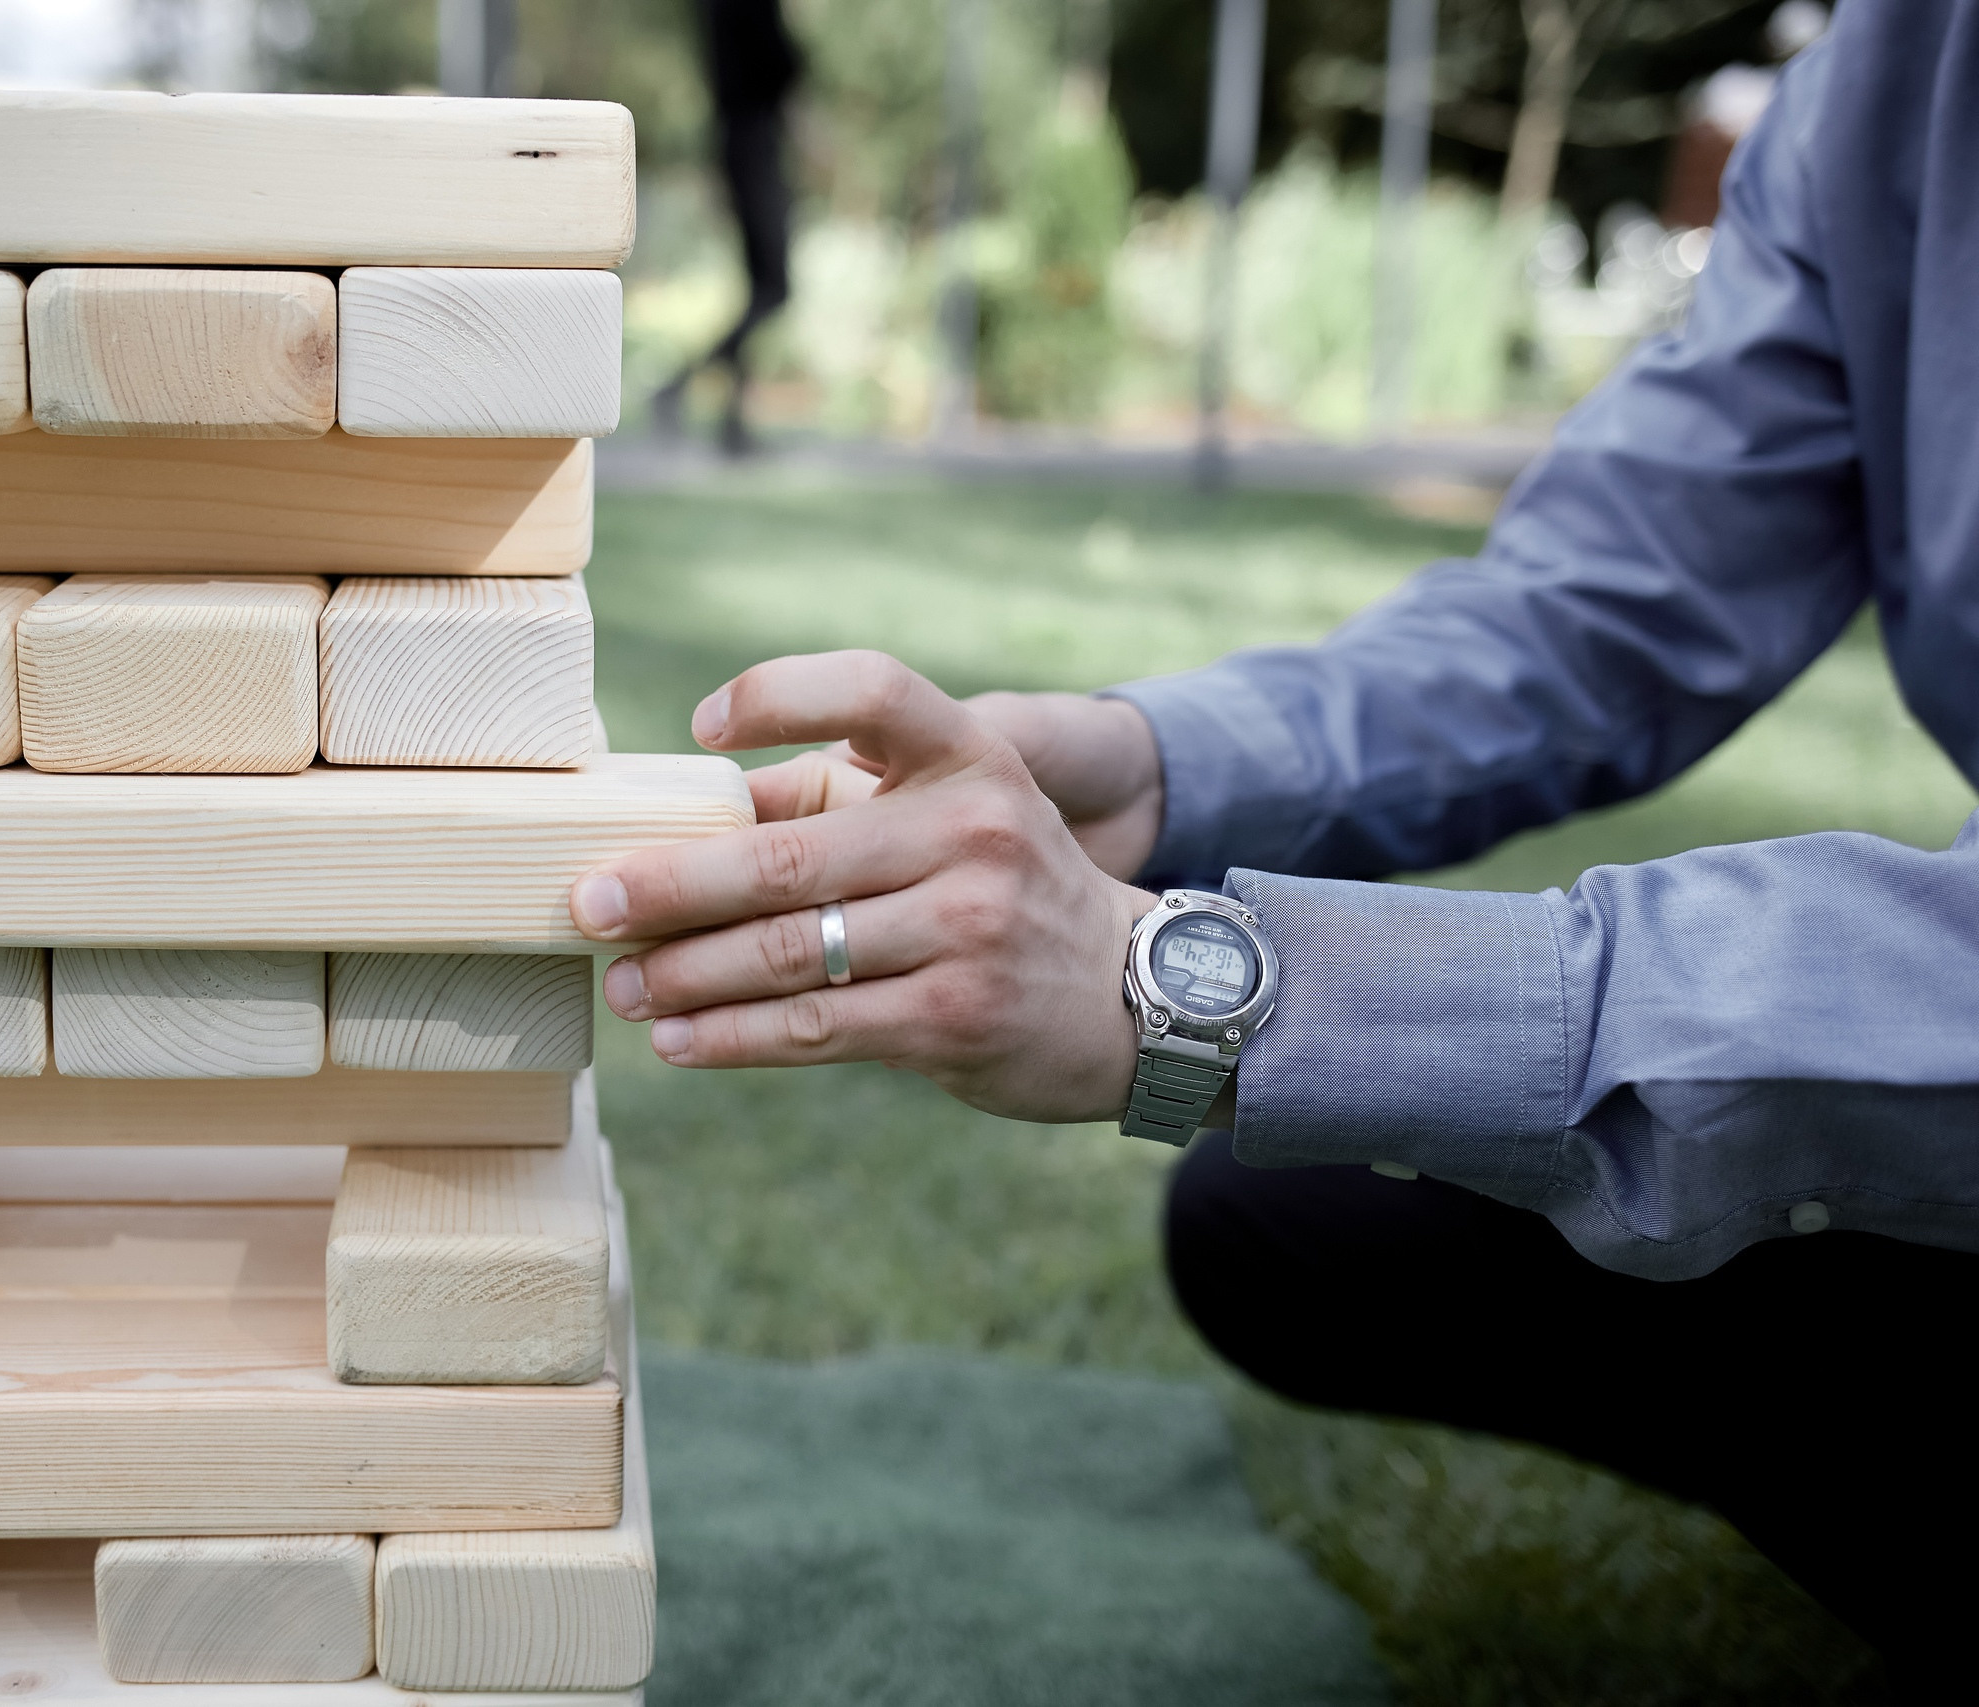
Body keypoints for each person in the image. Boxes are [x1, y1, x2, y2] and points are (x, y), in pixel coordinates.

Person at [565, 3, 1979, 1695]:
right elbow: (1605, 612)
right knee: (1286, 1222)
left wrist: (1227, 996)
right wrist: (1162, 768)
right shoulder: (1893, 74)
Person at [651, 0, 801, 455]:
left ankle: (732, 425)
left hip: (738, 142)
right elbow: (777, 66)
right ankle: (678, 386)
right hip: (756, 142)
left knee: (759, 290)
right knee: (773, 289)